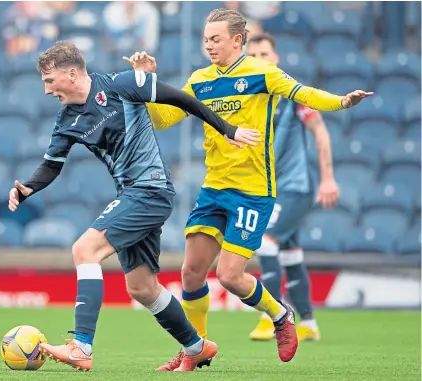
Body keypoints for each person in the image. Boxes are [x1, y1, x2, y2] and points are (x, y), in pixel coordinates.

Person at [124, 8, 372, 370]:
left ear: (238, 40)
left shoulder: (262, 73)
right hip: (214, 188)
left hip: (252, 191)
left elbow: (305, 94)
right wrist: (145, 83)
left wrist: (342, 102)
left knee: (229, 275)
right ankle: (195, 351)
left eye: (216, 39)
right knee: (191, 273)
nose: (209, 45)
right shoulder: (200, 80)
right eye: (206, 39)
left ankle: (280, 315)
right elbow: (164, 121)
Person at [7, 40, 260, 372]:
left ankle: (81, 345)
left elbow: (182, 98)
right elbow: (52, 165)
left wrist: (227, 128)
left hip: (151, 188)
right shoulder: (67, 119)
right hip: (132, 193)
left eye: (49, 80)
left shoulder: (121, 84)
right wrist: (28, 188)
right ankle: (196, 347)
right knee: (141, 287)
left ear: (71, 73)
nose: (46, 89)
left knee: (85, 249)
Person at [246, 34, 340, 342]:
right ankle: (309, 324)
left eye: (265, 53)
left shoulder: (291, 93)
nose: (260, 58)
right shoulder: (248, 96)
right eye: (254, 54)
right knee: (290, 253)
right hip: (269, 188)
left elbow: (320, 131)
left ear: (276, 57)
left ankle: (270, 317)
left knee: (267, 242)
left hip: (295, 186)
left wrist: (327, 178)